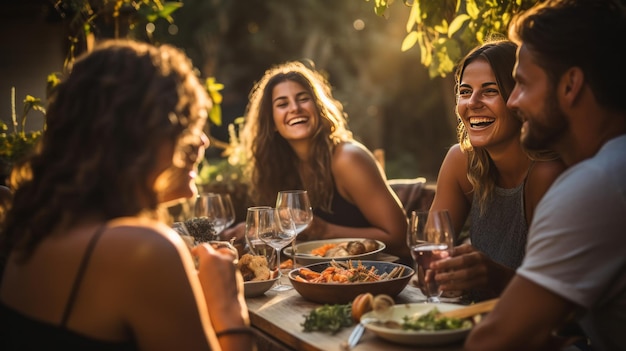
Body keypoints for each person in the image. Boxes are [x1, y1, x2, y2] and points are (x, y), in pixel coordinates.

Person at [0, 40, 254, 351]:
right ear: (136, 134)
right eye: (184, 124)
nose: (201, 141)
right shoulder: (143, 249)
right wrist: (230, 311)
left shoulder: (33, 230)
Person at [465, 0, 626, 350]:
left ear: (570, 86)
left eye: (521, 84)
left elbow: (491, 343)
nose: (513, 102)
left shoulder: (595, 186)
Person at [222, 61, 409, 261]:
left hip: (381, 276)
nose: (294, 108)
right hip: (323, 277)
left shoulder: (348, 158)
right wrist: (253, 229)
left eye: (303, 99)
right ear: (272, 122)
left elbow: (400, 237)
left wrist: (324, 230)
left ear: (318, 108)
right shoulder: (281, 166)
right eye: (282, 104)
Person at [428, 39, 565, 301]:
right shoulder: (460, 161)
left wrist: (494, 276)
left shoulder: (547, 174)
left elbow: (560, 298)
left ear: (520, 99)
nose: (473, 103)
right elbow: (431, 250)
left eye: (490, 91)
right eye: (465, 92)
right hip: (475, 318)